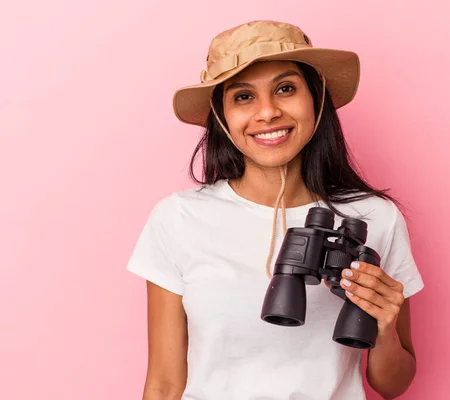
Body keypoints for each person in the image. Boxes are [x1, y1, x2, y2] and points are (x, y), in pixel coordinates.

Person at [126, 20, 424, 400]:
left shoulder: (375, 218)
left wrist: (384, 326)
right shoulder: (179, 219)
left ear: (316, 99)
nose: (267, 113)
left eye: (286, 89)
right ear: (221, 116)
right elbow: (164, 385)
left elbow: (393, 384)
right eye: (243, 96)